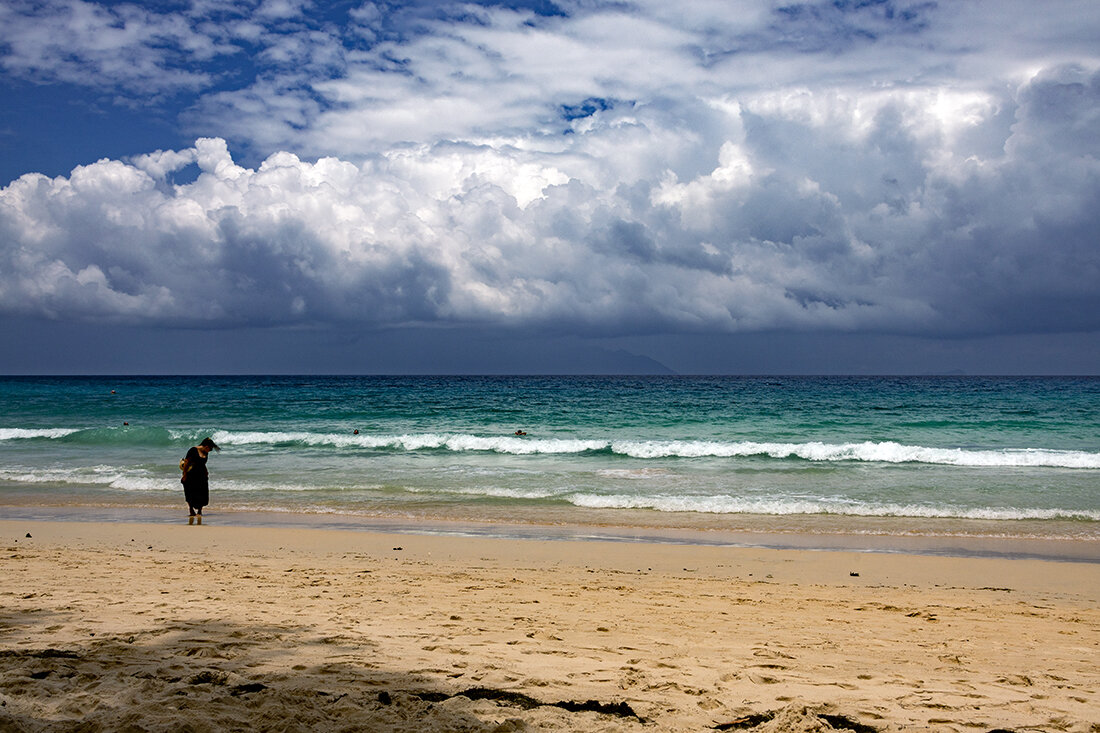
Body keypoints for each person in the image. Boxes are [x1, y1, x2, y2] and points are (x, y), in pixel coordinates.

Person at [180, 437, 219, 524]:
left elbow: (203, 464)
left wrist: (206, 472)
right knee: (190, 492)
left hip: (201, 474)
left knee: (203, 492)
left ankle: (200, 511)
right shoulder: (193, 450)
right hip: (191, 474)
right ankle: (191, 510)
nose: (210, 450)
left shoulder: (206, 452)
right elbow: (186, 462)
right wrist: (185, 474)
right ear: (205, 446)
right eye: (210, 448)